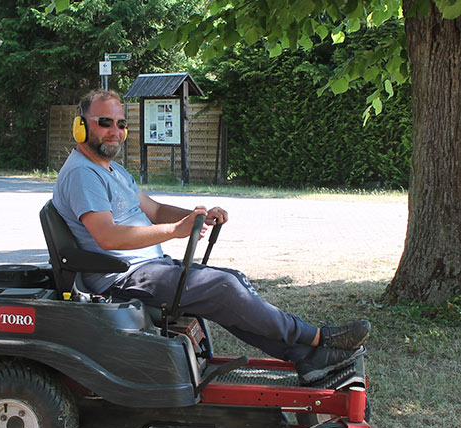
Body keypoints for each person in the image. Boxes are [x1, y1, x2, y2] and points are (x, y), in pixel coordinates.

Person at [52, 89, 370, 384]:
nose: (116, 131)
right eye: (104, 122)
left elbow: (156, 209)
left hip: (147, 269)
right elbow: (107, 237)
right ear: (81, 127)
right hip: (121, 278)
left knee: (232, 282)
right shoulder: (82, 173)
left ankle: (305, 358)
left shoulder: (112, 171)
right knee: (224, 287)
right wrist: (177, 231)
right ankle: (319, 338)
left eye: (121, 123)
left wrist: (195, 217)